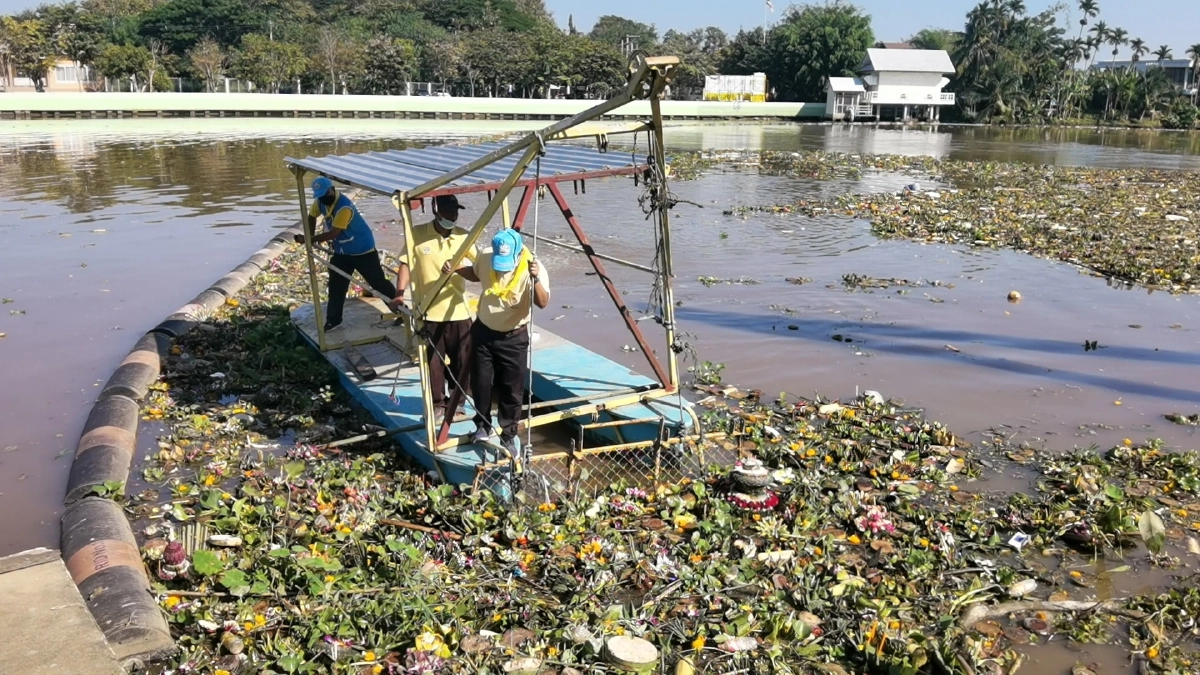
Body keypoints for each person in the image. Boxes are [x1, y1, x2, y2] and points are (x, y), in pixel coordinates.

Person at [446, 229, 549, 452]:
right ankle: (482, 426)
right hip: (484, 331)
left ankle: (508, 434)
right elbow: (476, 273)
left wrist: (537, 278)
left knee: (512, 389)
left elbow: (543, 302)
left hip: (514, 336)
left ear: (518, 253)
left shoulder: (533, 266)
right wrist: (455, 269)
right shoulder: (486, 256)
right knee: (481, 383)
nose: (500, 268)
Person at [392, 194, 477, 425]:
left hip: (457, 310)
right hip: (428, 312)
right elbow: (405, 264)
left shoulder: (464, 236)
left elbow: (478, 272)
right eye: (448, 212)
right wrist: (399, 295)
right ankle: (438, 405)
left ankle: (458, 404)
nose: (453, 216)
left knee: (463, 362)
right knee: (433, 365)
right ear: (436, 211)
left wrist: (459, 268)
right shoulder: (417, 235)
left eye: (455, 212)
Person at [295, 177, 397, 332]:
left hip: (362, 250)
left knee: (378, 283)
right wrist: (309, 235)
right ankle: (333, 320)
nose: (323, 198)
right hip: (342, 252)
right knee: (336, 284)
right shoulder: (320, 202)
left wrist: (309, 240)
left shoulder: (344, 207)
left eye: (324, 194)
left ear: (332, 190)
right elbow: (311, 216)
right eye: (320, 196)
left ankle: (400, 311)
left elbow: (334, 233)